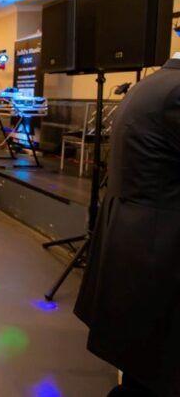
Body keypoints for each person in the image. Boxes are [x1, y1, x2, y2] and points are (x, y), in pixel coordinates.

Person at [74, 52, 180, 397]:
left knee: (143, 376)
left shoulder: (153, 84)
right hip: (160, 259)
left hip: (140, 250)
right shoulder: (175, 92)